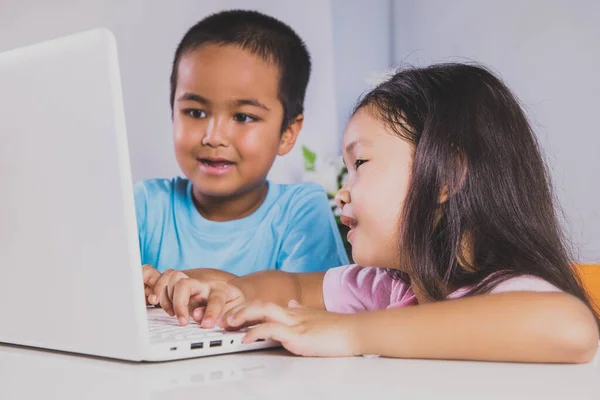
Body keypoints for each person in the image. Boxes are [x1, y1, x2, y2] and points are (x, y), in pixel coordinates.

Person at [158, 63, 599, 363]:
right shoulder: (390, 286)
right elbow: (290, 284)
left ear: (446, 177)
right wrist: (227, 290)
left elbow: (571, 327)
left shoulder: (505, 289)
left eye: (360, 165)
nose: (341, 194)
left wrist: (349, 332)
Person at [138, 10, 348, 305]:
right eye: (195, 112)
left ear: (287, 132)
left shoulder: (300, 210)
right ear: (173, 112)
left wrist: (216, 284)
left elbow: (320, 306)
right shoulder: (146, 204)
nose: (213, 136)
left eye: (243, 116)